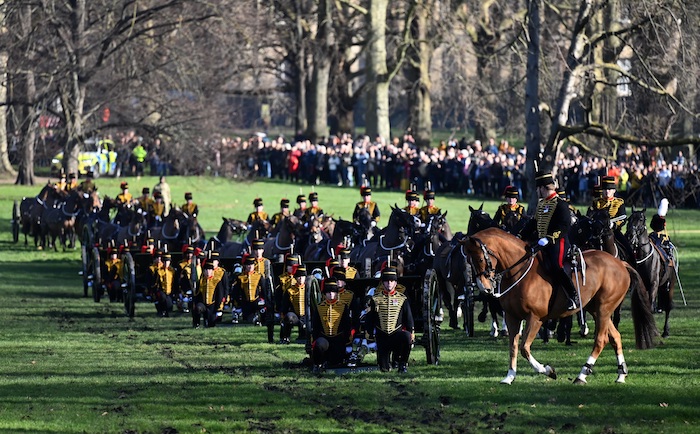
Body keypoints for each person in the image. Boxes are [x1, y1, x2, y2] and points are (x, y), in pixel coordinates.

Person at [532, 171, 578, 310]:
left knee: (557, 265)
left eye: (538, 188)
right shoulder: (541, 204)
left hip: (558, 242)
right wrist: (519, 235)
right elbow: (534, 223)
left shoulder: (560, 204)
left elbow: (564, 226)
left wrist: (549, 238)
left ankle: (572, 295)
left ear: (543, 188)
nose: (537, 191)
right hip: (541, 242)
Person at [366, 267, 414, 373]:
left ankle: (402, 364)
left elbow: (408, 317)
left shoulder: (402, 299)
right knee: (384, 368)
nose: (389, 284)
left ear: (395, 283)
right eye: (387, 281)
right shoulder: (375, 299)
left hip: (396, 334)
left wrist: (411, 331)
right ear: (383, 283)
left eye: (391, 281)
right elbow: (370, 317)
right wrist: (369, 332)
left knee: (406, 337)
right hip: (382, 336)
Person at [587, 175, 634, 260]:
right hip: (597, 232)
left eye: (609, 190)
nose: (607, 192)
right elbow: (590, 216)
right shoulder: (597, 202)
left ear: (614, 191)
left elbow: (623, 218)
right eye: (605, 190)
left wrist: (614, 225)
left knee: (627, 247)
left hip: (614, 232)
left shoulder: (619, 202)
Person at [311, 278, 352, 373]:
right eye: (328, 292)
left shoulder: (343, 306)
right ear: (325, 294)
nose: (331, 294)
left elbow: (347, 324)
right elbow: (316, 325)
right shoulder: (319, 307)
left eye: (333, 292)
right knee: (319, 345)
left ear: (337, 293)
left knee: (336, 362)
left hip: (338, 339)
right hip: (324, 337)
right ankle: (317, 364)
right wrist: (314, 339)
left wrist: (347, 339)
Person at [279, 265, 308, 344]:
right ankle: (286, 337)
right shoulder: (290, 290)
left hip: (306, 315)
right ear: (295, 278)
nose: (301, 278)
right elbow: (285, 305)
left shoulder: (309, 289)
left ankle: (303, 336)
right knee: (289, 317)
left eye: (303, 276)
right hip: (295, 314)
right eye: (299, 276)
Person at [192, 261, 227, 328]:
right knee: (197, 308)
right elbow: (197, 294)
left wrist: (216, 308)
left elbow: (219, 295)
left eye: (210, 270)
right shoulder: (201, 281)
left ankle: (208, 320)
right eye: (206, 270)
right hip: (203, 304)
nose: (208, 272)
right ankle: (196, 324)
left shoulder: (217, 281)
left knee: (211, 324)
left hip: (212, 305)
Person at [153, 253, 176, 317]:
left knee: (169, 306)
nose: (166, 263)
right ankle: (161, 310)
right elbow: (155, 282)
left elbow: (175, 282)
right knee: (162, 298)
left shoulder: (172, 271)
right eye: (165, 261)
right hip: (161, 291)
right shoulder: (158, 271)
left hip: (170, 291)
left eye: (167, 261)